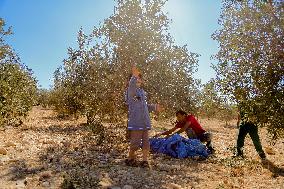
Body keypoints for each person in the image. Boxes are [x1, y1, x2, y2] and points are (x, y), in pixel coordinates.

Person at [125, 66, 163, 167]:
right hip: (136, 122)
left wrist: (155, 107)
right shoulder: (130, 92)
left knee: (146, 142)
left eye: (139, 78)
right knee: (135, 143)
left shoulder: (142, 93)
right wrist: (133, 76)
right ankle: (130, 158)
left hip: (145, 122)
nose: (138, 80)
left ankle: (145, 160)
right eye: (135, 78)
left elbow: (145, 106)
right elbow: (132, 87)